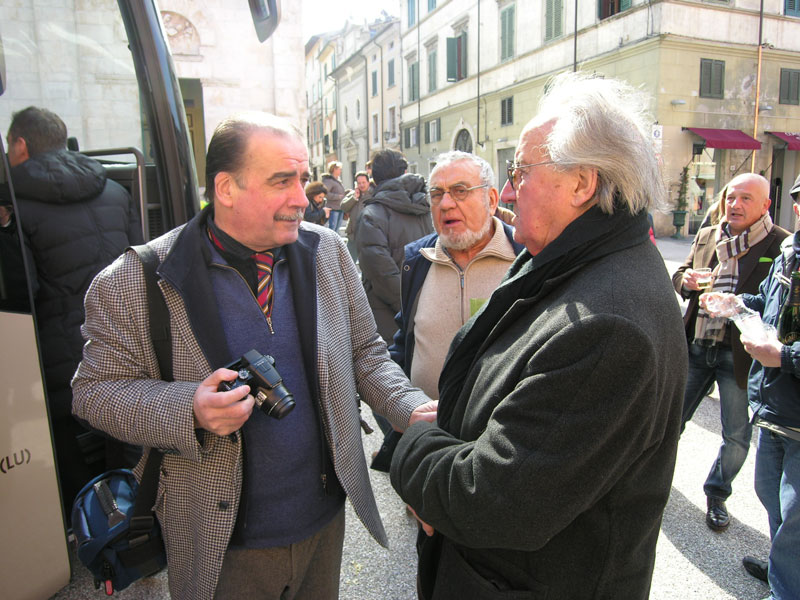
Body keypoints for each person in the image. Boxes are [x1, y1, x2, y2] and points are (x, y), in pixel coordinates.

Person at [72, 112, 436, 600]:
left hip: (323, 525)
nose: (302, 197)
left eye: (303, 179)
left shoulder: (326, 251)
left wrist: (407, 407)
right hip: (220, 546)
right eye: (281, 180)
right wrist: (190, 408)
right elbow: (93, 393)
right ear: (226, 188)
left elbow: (365, 353)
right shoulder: (134, 280)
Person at [389, 72, 687, 599]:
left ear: (582, 184)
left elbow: (494, 502)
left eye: (521, 172)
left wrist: (412, 443)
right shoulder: (568, 261)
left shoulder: (606, 323)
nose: (507, 190)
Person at [6, 106, 143, 516]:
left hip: (55, 347)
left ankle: (85, 518)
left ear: (20, 144)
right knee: (120, 420)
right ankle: (125, 513)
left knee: (59, 427)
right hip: (120, 334)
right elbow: (139, 267)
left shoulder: (14, 204)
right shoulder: (116, 191)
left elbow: (23, 289)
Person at [370, 151, 523, 472]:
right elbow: (404, 344)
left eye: (460, 191)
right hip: (429, 449)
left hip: (504, 454)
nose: (445, 204)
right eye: (436, 194)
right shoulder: (417, 260)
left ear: (492, 199)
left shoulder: (526, 260)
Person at [673, 173, 788, 532]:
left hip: (738, 355)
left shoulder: (778, 244)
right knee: (669, 420)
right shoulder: (709, 234)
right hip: (696, 343)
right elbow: (680, 273)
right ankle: (653, 481)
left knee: (737, 436)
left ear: (766, 205)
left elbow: (774, 304)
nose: (734, 205)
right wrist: (687, 280)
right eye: (731, 197)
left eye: (746, 199)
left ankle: (717, 493)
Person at [356, 149, 434, 344]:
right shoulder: (428, 207)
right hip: (430, 310)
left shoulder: (371, 215)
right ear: (405, 171)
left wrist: (409, 310)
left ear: (373, 177)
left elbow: (382, 276)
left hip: (388, 319)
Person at [341, 170, 371, 262]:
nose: (361, 185)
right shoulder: (353, 194)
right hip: (353, 235)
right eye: (359, 183)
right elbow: (343, 207)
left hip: (368, 235)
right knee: (348, 263)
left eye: (363, 182)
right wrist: (354, 198)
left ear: (368, 182)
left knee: (367, 264)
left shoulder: (374, 195)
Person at [321, 160, 345, 233]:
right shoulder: (329, 180)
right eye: (339, 169)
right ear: (334, 169)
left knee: (337, 230)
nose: (340, 170)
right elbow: (325, 193)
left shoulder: (337, 180)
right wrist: (337, 196)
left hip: (339, 208)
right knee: (332, 230)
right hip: (333, 209)